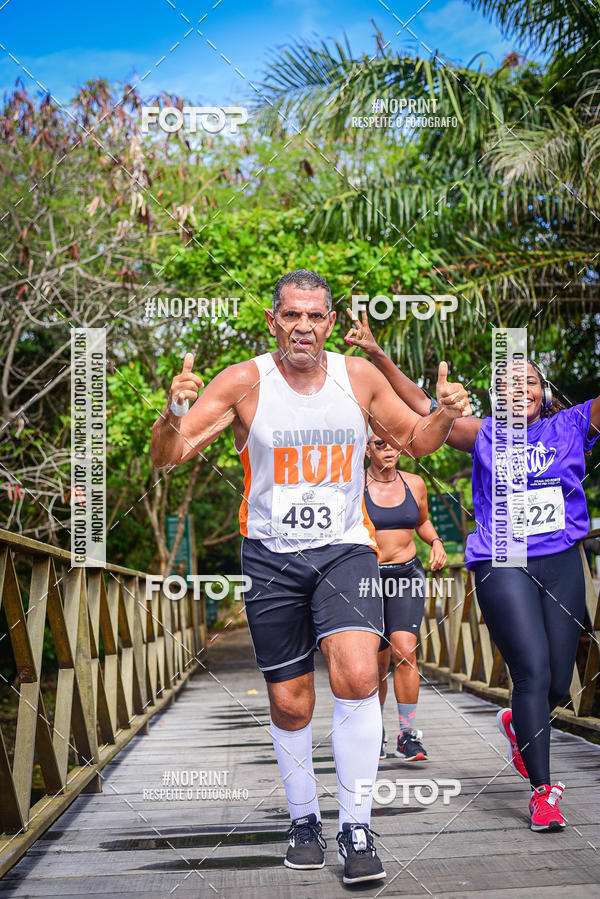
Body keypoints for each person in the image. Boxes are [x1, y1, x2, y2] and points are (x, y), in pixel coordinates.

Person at [150, 270, 472, 884]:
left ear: (330, 322)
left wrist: (446, 411)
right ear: (274, 321)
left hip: (345, 550)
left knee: (356, 673)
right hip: (272, 556)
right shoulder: (246, 382)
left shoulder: (360, 377)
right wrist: (174, 410)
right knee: (290, 702)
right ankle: (304, 817)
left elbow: (418, 441)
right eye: (291, 315)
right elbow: (169, 455)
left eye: (316, 315)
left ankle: (356, 825)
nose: (304, 326)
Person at [345, 308, 600, 833]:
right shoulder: (480, 433)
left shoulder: (571, 425)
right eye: (507, 383)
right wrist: (376, 354)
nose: (519, 389)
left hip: (559, 559)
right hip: (501, 557)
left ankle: (516, 722)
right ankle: (543, 793)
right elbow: (418, 407)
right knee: (530, 672)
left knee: (556, 682)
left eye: (529, 381)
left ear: (544, 392)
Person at [364, 430, 446, 762]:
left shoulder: (414, 483)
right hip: (367, 579)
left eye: (394, 442)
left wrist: (437, 542)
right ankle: (374, 731)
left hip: (406, 574)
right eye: (379, 443)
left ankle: (407, 734)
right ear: (366, 448)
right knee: (374, 663)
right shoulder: (353, 486)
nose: (389, 448)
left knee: (405, 651)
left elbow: (422, 521)